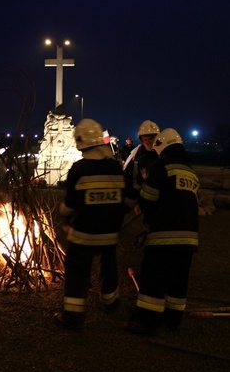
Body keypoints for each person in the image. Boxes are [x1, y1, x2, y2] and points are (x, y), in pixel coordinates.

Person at [54, 118, 135, 331]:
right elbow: (127, 200)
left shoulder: (79, 169)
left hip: (83, 234)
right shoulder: (116, 168)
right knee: (108, 268)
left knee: (77, 271)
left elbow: (69, 205)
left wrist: (64, 216)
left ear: (81, 142)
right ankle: (111, 303)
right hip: (109, 234)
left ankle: (73, 317)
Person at [125, 128, 200, 336]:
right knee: (178, 280)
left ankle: (147, 322)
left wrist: (147, 221)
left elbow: (147, 199)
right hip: (189, 239)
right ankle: (173, 320)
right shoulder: (190, 171)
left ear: (163, 146)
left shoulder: (162, 167)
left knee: (153, 279)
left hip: (163, 236)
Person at [123, 120, 160, 192]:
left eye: (151, 137)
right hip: (140, 193)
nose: (148, 141)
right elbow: (127, 174)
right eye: (145, 138)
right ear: (141, 139)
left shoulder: (163, 153)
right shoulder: (135, 152)